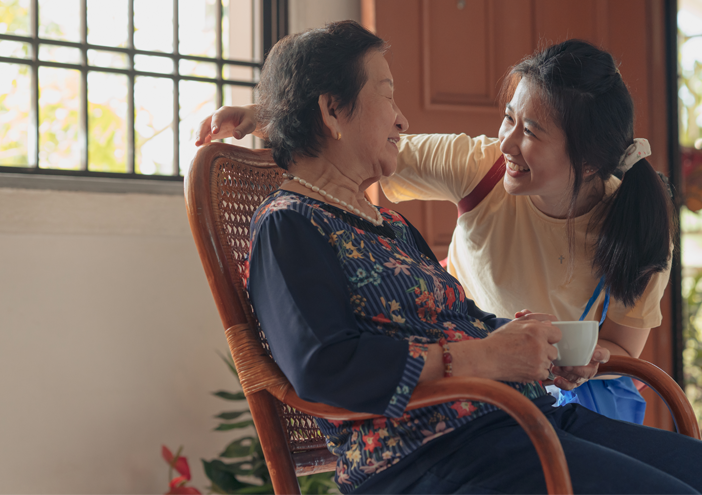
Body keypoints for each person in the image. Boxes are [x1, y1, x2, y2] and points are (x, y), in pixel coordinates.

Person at [234, 20, 702, 494]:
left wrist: (528, 342)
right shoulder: (292, 223)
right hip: (428, 451)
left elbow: (458, 321)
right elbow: (323, 368)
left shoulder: (385, 225)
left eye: (531, 130)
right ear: (331, 110)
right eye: (388, 96)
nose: (401, 120)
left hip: (510, 417)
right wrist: (488, 357)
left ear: (588, 159)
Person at [198, 33, 674, 426]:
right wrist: (269, 117)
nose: (505, 141)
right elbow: (361, 142)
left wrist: (558, 355)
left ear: (589, 160)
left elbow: (621, 348)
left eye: (531, 132)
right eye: (509, 117)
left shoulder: (638, 226)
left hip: (540, 394)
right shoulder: (477, 167)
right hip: (476, 407)